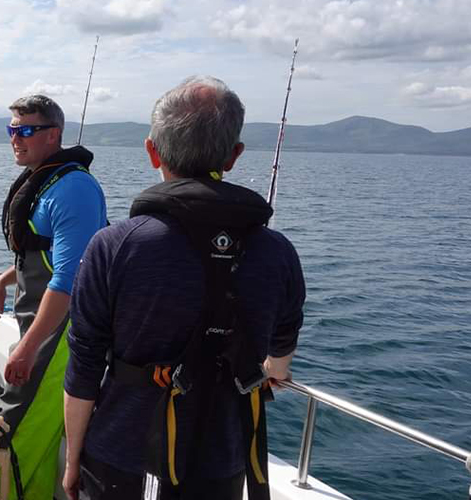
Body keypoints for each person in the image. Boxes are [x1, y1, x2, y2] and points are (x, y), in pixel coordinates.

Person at [63, 76, 305, 500]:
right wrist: (275, 372)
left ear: (152, 150)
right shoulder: (278, 251)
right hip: (224, 461)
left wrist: (72, 462)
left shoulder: (113, 246)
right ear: (233, 157)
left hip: (121, 457)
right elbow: (281, 349)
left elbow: (83, 367)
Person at [0, 94, 108, 499]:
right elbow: (45, 252)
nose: (15, 139)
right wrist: (5, 280)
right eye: (11, 130)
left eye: (26, 130)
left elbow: (69, 280)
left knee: (16, 428)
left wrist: (28, 348)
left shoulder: (73, 189)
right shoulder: (46, 181)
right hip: (39, 322)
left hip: (61, 329)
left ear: (53, 135)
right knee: (28, 427)